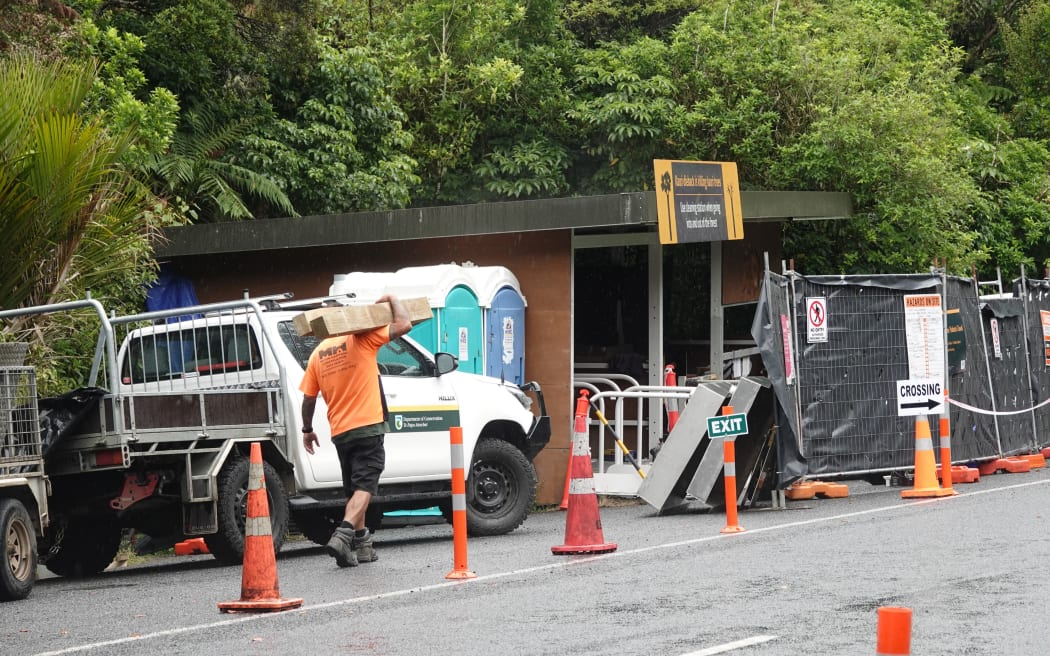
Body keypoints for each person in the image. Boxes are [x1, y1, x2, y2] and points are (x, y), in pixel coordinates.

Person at [300, 294, 412, 568]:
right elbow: (405, 323)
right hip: (367, 426)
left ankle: (363, 545)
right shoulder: (362, 339)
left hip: (341, 432)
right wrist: (392, 298)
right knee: (366, 486)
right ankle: (343, 534)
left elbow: (308, 398)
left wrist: (307, 429)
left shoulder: (317, 355)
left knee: (353, 489)